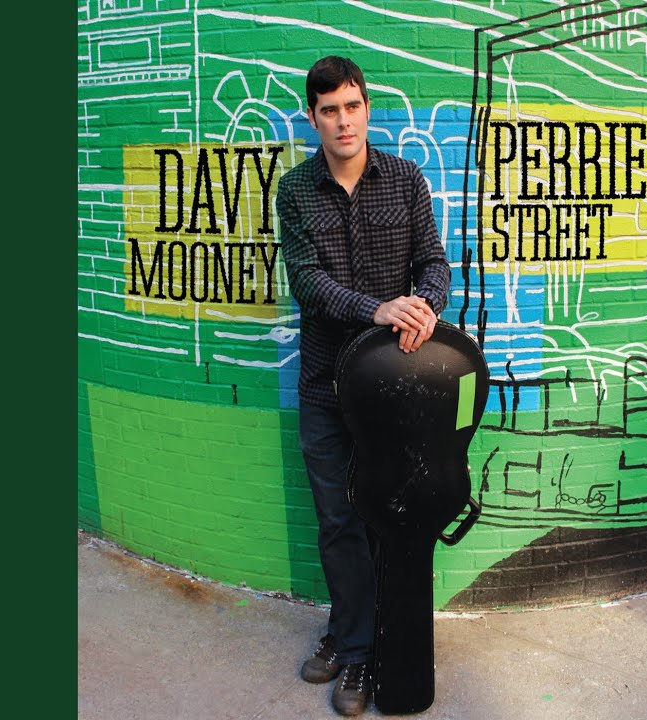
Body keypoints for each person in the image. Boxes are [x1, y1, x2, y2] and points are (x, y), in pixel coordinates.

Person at [276, 55, 450, 717]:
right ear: (314, 117)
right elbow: (306, 282)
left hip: (392, 392)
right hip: (325, 386)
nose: (343, 121)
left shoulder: (405, 179)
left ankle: (364, 639)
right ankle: (353, 650)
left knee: (386, 517)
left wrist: (425, 306)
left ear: (366, 108)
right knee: (338, 521)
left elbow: (432, 261)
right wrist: (375, 309)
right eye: (329, 111)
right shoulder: (296, 190)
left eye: (352, 107)